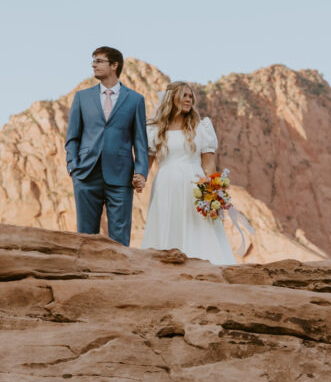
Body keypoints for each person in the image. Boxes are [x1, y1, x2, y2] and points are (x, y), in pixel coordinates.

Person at [141, 81, 235, 265]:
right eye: (184, 95)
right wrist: (138, 178)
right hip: (165, 185)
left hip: (194, 186)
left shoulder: (201, 128)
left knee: (197, 228)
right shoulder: (155, 129)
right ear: (172, 98)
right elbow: (147, 164)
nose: (188, 99)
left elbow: (208, 165)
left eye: (190, 96)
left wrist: (213, 193)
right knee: (168, 224)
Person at [65, 46, 148, 246]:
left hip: (120, 175)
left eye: (99, 60)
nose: (94, 64)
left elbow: (140, 141)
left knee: (119, 236)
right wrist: (72, 166)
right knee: (85, 237)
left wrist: (141, 171)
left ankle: (119, 275)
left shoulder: (135, 100)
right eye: (93, 60)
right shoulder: (81, 98)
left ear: (114, 65)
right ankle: (85, 275)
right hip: (86, 173)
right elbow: (72, 137)